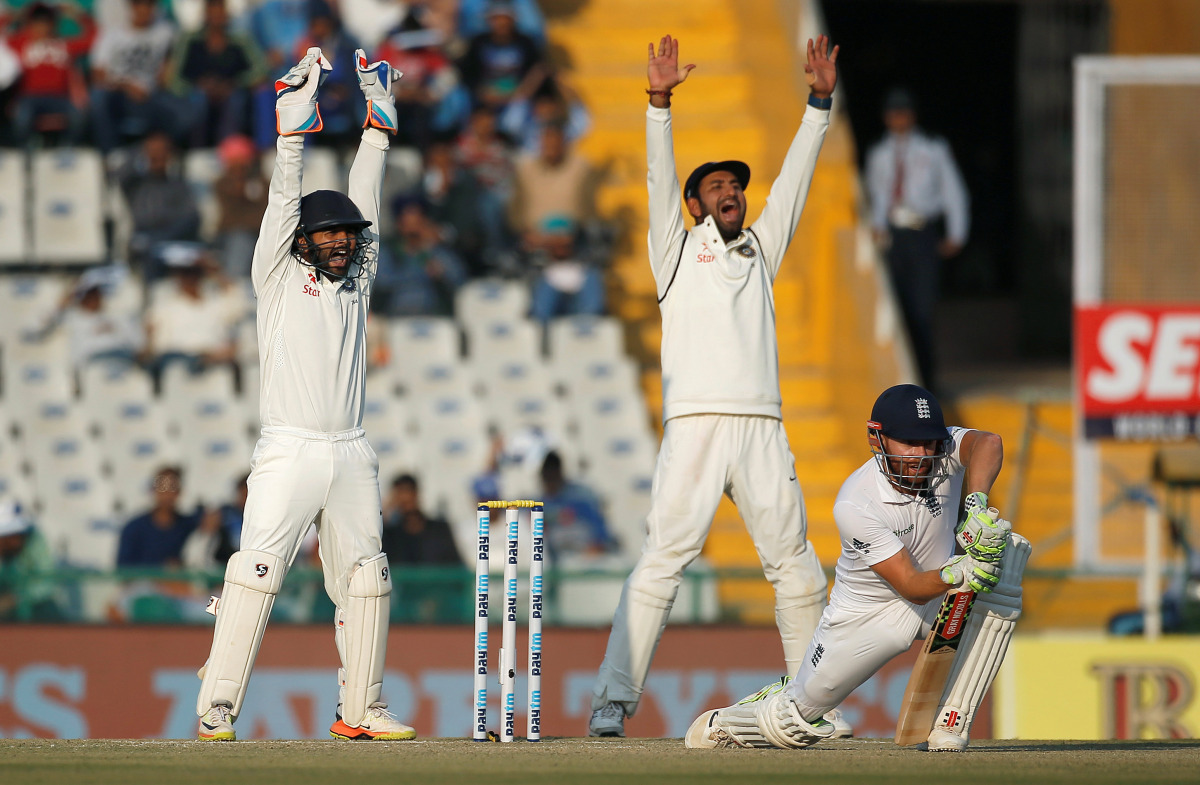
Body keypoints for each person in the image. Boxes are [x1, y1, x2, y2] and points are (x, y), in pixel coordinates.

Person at [587, 35, 839, 738]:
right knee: (663, 560)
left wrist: (819, 105)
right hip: (696, 425)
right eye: (716, 187)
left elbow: (793, 181)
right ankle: (613, 697)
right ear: (698, 204)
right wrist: (659, 103)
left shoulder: (762, 248)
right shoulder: (675, 252)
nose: (730, 192)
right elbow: (657, 181)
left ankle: (810, 702)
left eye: (736, 185)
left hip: (762, 425)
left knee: (794, 565)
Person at [194, 46, 416, 742]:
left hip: (351, 450)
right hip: (289, 447)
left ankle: (361, 708)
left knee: (368, 580)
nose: (342, 242)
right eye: (328, 233)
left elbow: (368, 200)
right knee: (256, 572)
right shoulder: (278, 275)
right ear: (303, 241)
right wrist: (291, 133)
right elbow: (283, 201)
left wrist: (378, 129)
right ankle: (217, 705)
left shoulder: (359, 278)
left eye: (347, 234)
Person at [683, 384, 1030, 753]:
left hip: (937, 596)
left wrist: (976, 505)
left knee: (1006, 562)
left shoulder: (943, 452)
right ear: (876, 438)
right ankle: (725, 722)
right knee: (798, 721)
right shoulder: (856, 502)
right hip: (868, 613)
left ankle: (950, 722)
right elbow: (910, 584)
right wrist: (956, 573)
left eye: (928, 442)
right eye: (908, 442)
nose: (921, 454)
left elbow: (988, 442)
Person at [865, 88, 969, 394]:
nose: (898, 118)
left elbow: (953, 191)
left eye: (904, 111)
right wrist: (877, 228)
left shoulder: (932, 149)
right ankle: (900, 382)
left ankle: (925, 381)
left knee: (923, 310)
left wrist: (956, 232)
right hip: (893, 235)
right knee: (897, 308)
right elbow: (877, 196)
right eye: (893, 112)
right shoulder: (879, 154)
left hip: (922, 232)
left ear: (912, 114)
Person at [167, 0, 266, 147]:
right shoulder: (190, 40)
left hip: (233, 92)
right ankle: (197, 149)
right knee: (198, 100)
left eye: (220, 12)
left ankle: (228, 149)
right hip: (196, 95)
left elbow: (261, 69)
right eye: (212, 12)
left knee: (236, 100)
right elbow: (174, 78)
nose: (217, 17)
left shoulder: (240, 41)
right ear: (205, 15)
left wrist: (236, 83)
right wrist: (198, 87)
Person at [88, 0, 179, 152]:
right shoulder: (111, 35)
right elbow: (98, 77)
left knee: (184, 112)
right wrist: (126, 86)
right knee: (98, 97)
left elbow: (169, 70)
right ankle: (111, 154)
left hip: (153, 96)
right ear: (131, 6)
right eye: (139, 4)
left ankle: (167, 155)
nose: (144, 9)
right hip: (118, 96)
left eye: (149, 5)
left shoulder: (166, 33)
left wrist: (158, 84)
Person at [4, 1, 95, 146]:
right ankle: (25, 151)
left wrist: (78, 15)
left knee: (79, 113)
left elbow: (93, 38)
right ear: (30, 24)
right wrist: (15, 16)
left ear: (53, 24)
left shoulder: (64, 44)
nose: (42, 26)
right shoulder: (20, 43)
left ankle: (68, 148)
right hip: (29, 98)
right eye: (37, 22)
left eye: (46, 22)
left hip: (59, 98)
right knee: (22, 116)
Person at [117, 466, 202, 568]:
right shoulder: (134, 528)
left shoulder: (189, 526)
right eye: (161, 487)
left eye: (172, 487)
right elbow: (123, 572)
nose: (167, 494)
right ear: (153, 490)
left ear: (179, 492)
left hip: (180, 583)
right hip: (142, 582)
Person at [539, 450, 615, 561]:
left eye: (553, 476)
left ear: (560, 474)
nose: (550, 482)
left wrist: (596, 547)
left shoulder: (581, 499)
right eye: (547, 477)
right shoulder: (539, 505)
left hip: (585, 560)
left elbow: (600, 536)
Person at [380, 474, 461, 566]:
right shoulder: (391, 536)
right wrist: (385, 511)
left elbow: (456, 566)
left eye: (408, 492)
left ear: (417, 494)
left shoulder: (439, 530)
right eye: (400, 495)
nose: (406, 499)